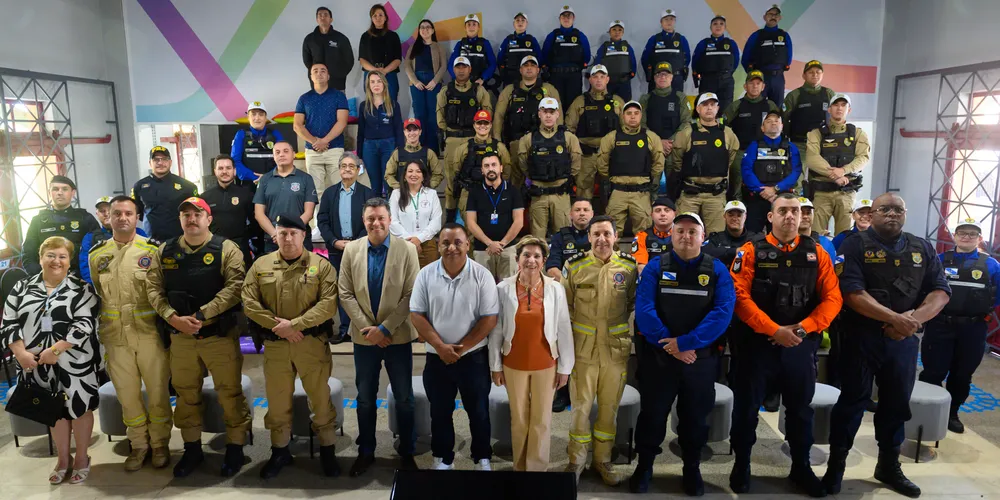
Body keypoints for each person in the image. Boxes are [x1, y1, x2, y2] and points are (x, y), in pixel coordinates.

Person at [823, 193, 951, 498]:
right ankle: (836, 466)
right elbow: (852, 292)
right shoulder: (853, 245)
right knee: (852, 402)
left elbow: (940, 291)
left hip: (903, 341)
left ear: (905, 213)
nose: (891, 214)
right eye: (884, 209)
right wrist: (897, 319)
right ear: (873, 213)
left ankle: (888, 465)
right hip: (860, 338)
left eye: (898, 210)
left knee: (896, 405)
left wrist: (912, 322)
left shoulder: (921, 247)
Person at [728, 193, 842, 497]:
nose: (791, 216)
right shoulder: (750, 251)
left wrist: (803, 330)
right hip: (757, 346)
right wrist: (773, 329)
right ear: (770, 216)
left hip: (799, 346)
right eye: (783, 211)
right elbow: (739, 297)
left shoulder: (817, 253)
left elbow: (833, 299)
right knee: (746, 410)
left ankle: (801, 468)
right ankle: (741, 464)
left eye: (797, 211)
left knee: (800, 412)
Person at [630, 212, 735, 495]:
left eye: (692, 231)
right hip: (660, 358)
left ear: (703, 237)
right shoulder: (655, 267)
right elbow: (645, 311)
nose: (686, 236)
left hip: (698, 360)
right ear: (672, 235)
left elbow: (722, 313)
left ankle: (692, 469)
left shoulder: (717, 270)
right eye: (680, 231)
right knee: (652, 416)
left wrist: (687, 343)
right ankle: (645, 466)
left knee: (695, 418)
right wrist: (672, 346)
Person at [145, 197, 251, 478]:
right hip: (181, 337)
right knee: (185, 394)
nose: (191, 219)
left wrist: (202, 315)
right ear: (180, 220)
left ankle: (236, 447)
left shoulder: (226, 248)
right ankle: (192, 448)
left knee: (229, 393)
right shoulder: (164, 250)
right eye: (186, 215)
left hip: (218, 335)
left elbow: (236, 286)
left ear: (208, 218)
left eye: (197, 214)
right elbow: (153, 288)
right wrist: (172, 317)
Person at [242, 214, 340, 479]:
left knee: (320, 399)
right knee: (277, 402)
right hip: (276, 347)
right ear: (276, 235)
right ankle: (279, 451)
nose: (287, 238)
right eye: (282, 233)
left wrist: (295, 325)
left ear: (303, 236)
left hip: (310, 344)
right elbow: (249, 302)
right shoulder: (261, 265)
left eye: (293, 233)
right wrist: (281, 328)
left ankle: (328, 449)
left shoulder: (321, 266)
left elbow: (329, 304)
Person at [2, 236, 100, 485]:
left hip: (75, 362)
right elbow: (9, 322)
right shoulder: (21, 288)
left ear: (69, 262)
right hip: (35, 364)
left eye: (62, 256)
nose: (56, 261)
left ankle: (82, 459)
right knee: (53, 410)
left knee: (79, 409)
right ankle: (63, 459)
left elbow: (84, 323)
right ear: (40, 258)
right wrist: (21, 353)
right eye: (51, 255)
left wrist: (56, 350)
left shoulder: (81, 289)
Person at [338, 198, 421, 476]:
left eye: (381, 218)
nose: (376, 223)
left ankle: (407, 452)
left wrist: (384, 329)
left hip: (397, 337)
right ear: (364, 221)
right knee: (364, 398)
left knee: (404, 398)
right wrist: (369, 330)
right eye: (371, 218)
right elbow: (345, 293)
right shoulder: (351, 249)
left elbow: (412, 294)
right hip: (364, 339)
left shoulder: (407, 249)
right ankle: (366, 451)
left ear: (389, 219)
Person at [88, 196, 172, 471]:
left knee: (158, 392)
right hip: (115, 338)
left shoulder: (153, 251)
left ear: (138, 218)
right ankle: (138, 446)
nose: (123, 218)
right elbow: (99, 294)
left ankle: (160, 445)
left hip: (149, 335)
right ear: (108, 217)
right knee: (127, 395)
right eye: (117, 213)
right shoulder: (97, 255)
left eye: (128, 213)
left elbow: (162, 293)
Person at [410, 223, 500, 471]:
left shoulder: (481, 275)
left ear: (468, 245)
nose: (452, 247)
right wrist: (440, 347)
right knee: (439, 412)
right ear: (438, 245)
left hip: (473, 358)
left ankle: (482, 456)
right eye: (446, 242)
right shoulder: (425, 274)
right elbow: (417, 315)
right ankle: (443, 458)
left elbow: (489, 318)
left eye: (457, 242)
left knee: (479, 412)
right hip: (436, 358)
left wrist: (460, 349)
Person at [562, 215, 638, 485]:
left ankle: (602, 460)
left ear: (616, 237)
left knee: (609, 409)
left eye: (607, 234)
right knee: (580, 408)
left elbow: (630, 304)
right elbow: (566, 309)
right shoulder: (575, 266)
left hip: (615, 352)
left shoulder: (628, 267)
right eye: (596, 234)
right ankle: (576, 460)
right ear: (589, 237)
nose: (601, 239)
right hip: (583, 351)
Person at [490, 236, 573, 471]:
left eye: (537, 256)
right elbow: (496, 330)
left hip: (546, 364)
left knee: (541, 420)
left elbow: (564, 329)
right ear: (517, 259)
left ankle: (536, 470)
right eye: (526, 255)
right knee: (519, 419)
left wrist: (565, 368)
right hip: (513, 363)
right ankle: (520, 467)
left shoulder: (555, 288)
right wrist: (495, 365)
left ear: (544, 260)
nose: (531, 260)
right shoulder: (502, 288)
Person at [920, 217, 1000, 434]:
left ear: (980, 238)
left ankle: (952, 413)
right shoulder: (938, 260)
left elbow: (997, 297)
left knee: (962, 374)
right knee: (933, 372)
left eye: (972, 234)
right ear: (954, 236)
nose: (966, 237)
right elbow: (924, 288)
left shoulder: (992, 265)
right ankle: (927, 411)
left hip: (973, 330)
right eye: (962, 232)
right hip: (939, 325)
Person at [318, 152, 377, 342]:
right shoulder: (329, 193)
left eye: (351, 166)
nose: (347, 169)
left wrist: (356, 243)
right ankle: (344, 330)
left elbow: (371, 222)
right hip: (337, 249)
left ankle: (362, 328)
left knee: (361, 289)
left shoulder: (367, 193)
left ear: (358, 170)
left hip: (360, 249)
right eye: (344, 166)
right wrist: (334, 241)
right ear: (339, 169)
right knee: (342, 291)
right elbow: (322, 221)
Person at [670, 92, 740, 234]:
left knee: (717, 237)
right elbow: (677, 161)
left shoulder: (728, 133)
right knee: (684, 233)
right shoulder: (687, 133)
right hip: (690, 194)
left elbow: (730, 159)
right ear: (698, 109)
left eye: (713, 104)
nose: (709, 108)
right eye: (705, 104)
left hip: (716, 195)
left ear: (718, 108)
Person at [515, 97, 582, 238]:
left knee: (564, 237)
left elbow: (575, 165)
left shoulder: (569, 138)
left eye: (552, 112)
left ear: (558, 114)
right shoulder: (528, 139)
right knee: (537, 238)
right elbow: (523, 164)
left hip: (561, 195)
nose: (548, 115)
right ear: (539, 113)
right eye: (545, 111)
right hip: (538, 195)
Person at [804, 94, 871, 235]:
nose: (839, 108)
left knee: (846, 237)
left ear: (849, 110)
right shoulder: (816, 134)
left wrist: (844, 170)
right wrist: (835, 175)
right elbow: (812, 158)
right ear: (829, 109)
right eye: (835, 105)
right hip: (821, 192)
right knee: (816, 236)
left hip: (846, 193)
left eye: (843, 105)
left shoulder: (858, 134)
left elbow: (863, 158)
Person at [597, 100, 665, 234]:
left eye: (636, 113)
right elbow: (602, 163)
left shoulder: (651, 137)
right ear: (623, 116)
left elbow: (658, 163)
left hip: (641, 193)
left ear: (641, 116)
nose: (632, 116)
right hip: (617, 191)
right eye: (628, 113)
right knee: (610, 233)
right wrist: (607, 181)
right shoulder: (611, 137)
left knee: (643, 234)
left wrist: (653, 181)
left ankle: (641, 256)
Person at [438, 57, 494, 218]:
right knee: (452, 182)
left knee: (477, 179)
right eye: (458, 67)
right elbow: (440, 117)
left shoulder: (479, 90)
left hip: (474, 140)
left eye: (464, 67)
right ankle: (450, 221)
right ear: (453, 70)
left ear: (470, 70)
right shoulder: (446, 91)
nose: (461, 70)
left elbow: (487, 114)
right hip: (453, 140)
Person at [566, 64, 623, 204]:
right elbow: (568, 130)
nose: (599, 80)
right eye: (595, 77)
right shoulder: (580, 101)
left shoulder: (617, 102)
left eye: (602, 77)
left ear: (607, 79)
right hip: (586, 155)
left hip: (610, 155)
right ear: (590, 80)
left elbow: (627, 129)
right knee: (583, 192)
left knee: (612, 193)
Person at [22, 175, 101, 275]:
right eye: (55, 189)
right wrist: (41, 277)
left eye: (65, 189)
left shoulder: (85, 218)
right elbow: (28, 254)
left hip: (80, 278)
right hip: (48, 279)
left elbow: (98, 250)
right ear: (49, 193)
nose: (60, 193)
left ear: (73, 193)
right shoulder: (38, 221)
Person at [294, 63, 352, 197]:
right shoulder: (304, 98)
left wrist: (324, 141)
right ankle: (319, 219)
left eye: (323, 71)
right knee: (315, 192)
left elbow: (342, 122)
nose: (319, 73)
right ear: (311, 76)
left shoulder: (339, 96)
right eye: (315, 71)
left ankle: (339, 218)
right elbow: (297, 125)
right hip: (312, 151)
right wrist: (315, 142)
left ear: (328, 76)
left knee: (340, 189)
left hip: (335, 149)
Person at [722, 70, 780, 201]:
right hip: (741, 152)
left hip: (764, 152)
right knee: (736, 187)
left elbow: (778, 128)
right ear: (745, 86)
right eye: (751, 83)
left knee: (764, 185)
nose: (755, 86)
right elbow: (722, 127)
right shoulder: (736, 105)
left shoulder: (770, 106)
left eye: (758, 83)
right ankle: (737, 213)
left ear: (763, 86)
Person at [493, 55, 562, 166]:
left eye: (532, 65)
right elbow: (498, 116)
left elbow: (558, 116)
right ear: (520, 70)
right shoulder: (509, 90)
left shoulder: (549, 89)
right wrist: (497, 142)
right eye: (526, 65)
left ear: (538, 70)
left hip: (542, 142)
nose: (529, 68)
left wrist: (557, 139)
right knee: (516, 179)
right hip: (516, 143)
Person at [741, 109, 802, 233]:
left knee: (781, 234)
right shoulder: (754, 146)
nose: (773, 123)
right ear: (762, 128)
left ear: (782, 126)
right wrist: (762, 190)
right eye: (769, 121)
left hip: (782, 198)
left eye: (777, 121)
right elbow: (746, 169)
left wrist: (776, 189)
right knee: (752, 235)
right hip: (758, 198)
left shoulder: (791, 148)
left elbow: (796, 171)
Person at [466, 153, 525, 280]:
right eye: (486, 166)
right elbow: (471, 222)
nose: (490, 168)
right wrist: (489, 243)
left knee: (508, 290)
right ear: (482, 170)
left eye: (494, 165)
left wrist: (502, 244)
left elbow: (519, 221)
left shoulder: (513, 191)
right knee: (483, 291)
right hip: (483, 249)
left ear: (501, 168)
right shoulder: (474, 192)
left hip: (507, 249)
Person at [254, 141, 319, 254]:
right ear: (273, 156)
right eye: (277, 152)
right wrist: (276, 234)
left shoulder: (306, 178)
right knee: (275, 271)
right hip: (273, 239)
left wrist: (290, 233)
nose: (281, 155)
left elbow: (309, 213)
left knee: (303, 271)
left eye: (286, 151)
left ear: (293, 154)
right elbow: (259, 214)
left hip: (300, 237)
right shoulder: (265, 179)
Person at [448, 109, 512, 219]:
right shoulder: (463, 149)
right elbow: (456, 170)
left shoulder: (500, 148)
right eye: (479, 123)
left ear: (491, 125)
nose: (482, 126)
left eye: (486, 123)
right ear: (474, 125)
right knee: (470, 231)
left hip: (493, 193)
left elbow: (506, 170)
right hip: (469, 193)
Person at [201, 155, 258, 271]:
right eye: (220, 168)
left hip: (240, 248)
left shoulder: (246, 195)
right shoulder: (205, 197)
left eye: (228, 168)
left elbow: (255, 222)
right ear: (215, 171)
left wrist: (244, 238)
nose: (224, 171)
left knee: (242, 285)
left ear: (234, 171)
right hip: (213, 249)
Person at [132, 146, 198, 241]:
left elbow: (196, 212)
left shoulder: (187, 187)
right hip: (151, 242)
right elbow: (139, 213)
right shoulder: (139, 186)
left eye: (164, 159)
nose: (160, 163)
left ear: (170, 162)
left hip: (181, 241)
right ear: (150, 163)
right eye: (156, 159)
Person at [404, 19, 450, 152]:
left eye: (428, 27)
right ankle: (420, 147)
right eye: (422, 27)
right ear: (419, 31)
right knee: (419, 114)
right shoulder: (414, 47)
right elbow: (407, 65)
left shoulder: (438, 47)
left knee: (433, 115)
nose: (425, 29)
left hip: (433, 83)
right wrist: (415, 81)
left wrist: (435, 81)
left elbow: (443, 66)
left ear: (433, 30)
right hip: (417, 82)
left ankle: (433, 149)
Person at [357, 71, 405, 197]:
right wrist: (359, 155)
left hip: (389, 145)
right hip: (369, 147)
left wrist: (400, 150)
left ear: (384, 84)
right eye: (372, 82)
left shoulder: (393, 105)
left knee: (389, 182)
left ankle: (390, 214)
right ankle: (376, 214)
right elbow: (360, 131)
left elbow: (399, 129)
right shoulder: (364, 106)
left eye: (379, 81)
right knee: (374, 185)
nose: (376, 84)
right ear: (368, 85)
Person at [80, 197, 147, 284]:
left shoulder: (139, 233)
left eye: (110, 211)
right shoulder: (90, 238)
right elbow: (86, 267)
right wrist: (100, 289)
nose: (106, 214)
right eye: (102, 211)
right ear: (97, 213)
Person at [389, 159, 443, 268]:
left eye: (418, 171)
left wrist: (419, 239)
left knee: (428, 281)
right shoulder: (396, 194)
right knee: (404, 281)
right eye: (410, 171)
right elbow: (392, 221)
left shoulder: (431, 194)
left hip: (427, 245)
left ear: (423, 176)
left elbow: (436, 222)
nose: (414, 174)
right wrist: (410, 240)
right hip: (402, 244)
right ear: (404, 176)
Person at [639, 62, 692, 163]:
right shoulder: (645, 99)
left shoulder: (681, 98)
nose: (662, 77)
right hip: (652, 148)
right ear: (654, 78)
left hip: (675, 148)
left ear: (671, 77)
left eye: (666, 74)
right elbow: (641, 124)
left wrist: (670, 142)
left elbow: (686, 123)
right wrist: (658, 142)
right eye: (659, 74)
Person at [741, 4, 792, 106]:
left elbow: (789, 57)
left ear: (780, 17)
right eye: (770, 14)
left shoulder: (784, 35)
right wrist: (754, 76)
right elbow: (745, 58)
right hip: (761, 77)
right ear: (765, 17)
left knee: (777, 109)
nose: (773, 17)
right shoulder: (756, 35)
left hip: (778, 78)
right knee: (757, 107)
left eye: (776, 14)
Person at [542, 6, 591, 110]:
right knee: (556, 105)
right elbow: (545, 54)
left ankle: (571, 126)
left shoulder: (580, 36)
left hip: (574, 77)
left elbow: (587, 55)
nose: (566, 18)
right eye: (564, 16)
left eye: (569, 16)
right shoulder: (553, 35)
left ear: (573, 18)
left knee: (574, 106)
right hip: (556, 77)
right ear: (559, 19)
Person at [782, 60, 835, 154]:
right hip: (800, 145)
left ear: (822, 74)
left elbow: (837, 118)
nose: (815, 75)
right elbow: (784, 119)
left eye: (818, 72)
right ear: (804, 76)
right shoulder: (794, 95)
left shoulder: (829, 94)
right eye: (811, 72)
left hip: (824, 145)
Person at [692, 15, 740, 114]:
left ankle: (723, 129)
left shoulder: (731, 44)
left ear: (725, 27)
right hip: (707, 81)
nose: (718, 26)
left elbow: (735, 63)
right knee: (707, 109)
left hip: (726, 82)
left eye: (721, 24)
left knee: (725, 110)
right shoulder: (703, 44)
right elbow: (695, 62)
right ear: (710, 27)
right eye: (715, 24)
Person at [302, 6, 354, 91]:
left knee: (339, 104)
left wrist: (339, 74)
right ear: (317, 19)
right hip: (317, 84)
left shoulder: (341, 38)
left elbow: (349, 60)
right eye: (320, 15)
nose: (322, 17)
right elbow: (307, 61)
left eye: (325, 15)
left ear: (331, 19)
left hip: (337, 83)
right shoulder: (309, 39)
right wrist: (316, 74)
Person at [231, 101, 286, 182]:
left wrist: (268, 177)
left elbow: (283, 159)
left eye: (261, 114)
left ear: (265, 117)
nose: (257, 118)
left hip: (273, 182)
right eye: (253, 114)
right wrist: (254, 177)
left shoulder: (275, 134)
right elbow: (235, 161)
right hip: (248, 183)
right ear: (248, 117)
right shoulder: (241, 134)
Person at [358, 4, 403, 102]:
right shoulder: (365, 36)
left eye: (380, 15)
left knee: (391, 103)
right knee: (372, 104)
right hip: (370, 74)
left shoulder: (393, 36)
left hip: (389, 74)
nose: (378, 18)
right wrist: (375, 71)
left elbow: (398, 59)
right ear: (371, 18)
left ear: (385, 17)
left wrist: (384, 71)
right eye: (375, 15)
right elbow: (362, 60)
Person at [385, 118, 444, 191]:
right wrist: (399, 188)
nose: (412, 133)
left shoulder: (429, 153)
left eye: (415, 130)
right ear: (404, 132)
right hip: (402, 196)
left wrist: (427, 188)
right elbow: (388, 175)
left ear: (420, 132)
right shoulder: (396, 153)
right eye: (409, 130)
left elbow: (438, 174)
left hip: (423, 196)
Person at [641, 9, 690, 94]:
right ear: (661, 22)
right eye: (666, 19)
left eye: (671, 19)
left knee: (676, 104)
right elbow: (645, 59)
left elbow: (687, 59)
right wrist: (652, 74)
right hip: (658, 79)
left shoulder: (681, 39)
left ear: (675, 21)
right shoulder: (654, 39)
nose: (669, 22)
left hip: (676, 79)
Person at [545, 198, 594, 281]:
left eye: (586, 210)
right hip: (567, 286)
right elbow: (552, 269)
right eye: (577, 210)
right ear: (570, 214)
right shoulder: (559, 237)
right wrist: (571, 283)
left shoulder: (600, 235)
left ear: (592, 214)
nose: (582, 213)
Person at [449, 14, 498, 95]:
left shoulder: (485, 43)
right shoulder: (460, 44)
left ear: (478, 27)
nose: (471, 27)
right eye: (468, 24)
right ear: (465, 28)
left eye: (474, 24)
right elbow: (451, 64)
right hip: (462, 84)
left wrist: (483, 78)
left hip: (480, 84)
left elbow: (492, 64)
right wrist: (457, 79)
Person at [705, 200, 763, 269]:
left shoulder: (756, 239)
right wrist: (736, 251)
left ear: (745, 217)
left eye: (739, 215)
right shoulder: (715, 238)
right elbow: (704, 252)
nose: (735, 219)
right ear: (724, 216)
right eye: (731, 215)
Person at [593, 20, 637, 102]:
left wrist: (630, 75)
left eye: (620, 30)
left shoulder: (627, 46)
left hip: (624, 83)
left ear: (623, 32)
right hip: (609, 83)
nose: (617, 32)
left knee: (624, 106)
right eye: (614, 30)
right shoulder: (604, 47)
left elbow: (633, 62)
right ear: (609, 32)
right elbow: (597, 64)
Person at [496, 12, 543, 89]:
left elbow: (540, 59)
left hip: (529, 77)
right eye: (517, 20)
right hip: (510, 77)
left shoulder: (531, 40)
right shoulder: (508, 40)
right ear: (513, 24)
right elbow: (500, 59)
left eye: (523, 20)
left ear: (527, 23)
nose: (520, 22)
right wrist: (502, 72)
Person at [631, 196, 676, 275]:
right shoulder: (642, 237)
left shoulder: (682, 235)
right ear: (652, 215)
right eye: (658, 211)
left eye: (667, 210)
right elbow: (641, 267)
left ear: (674, 214)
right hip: (651, 278)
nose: (662, 214)